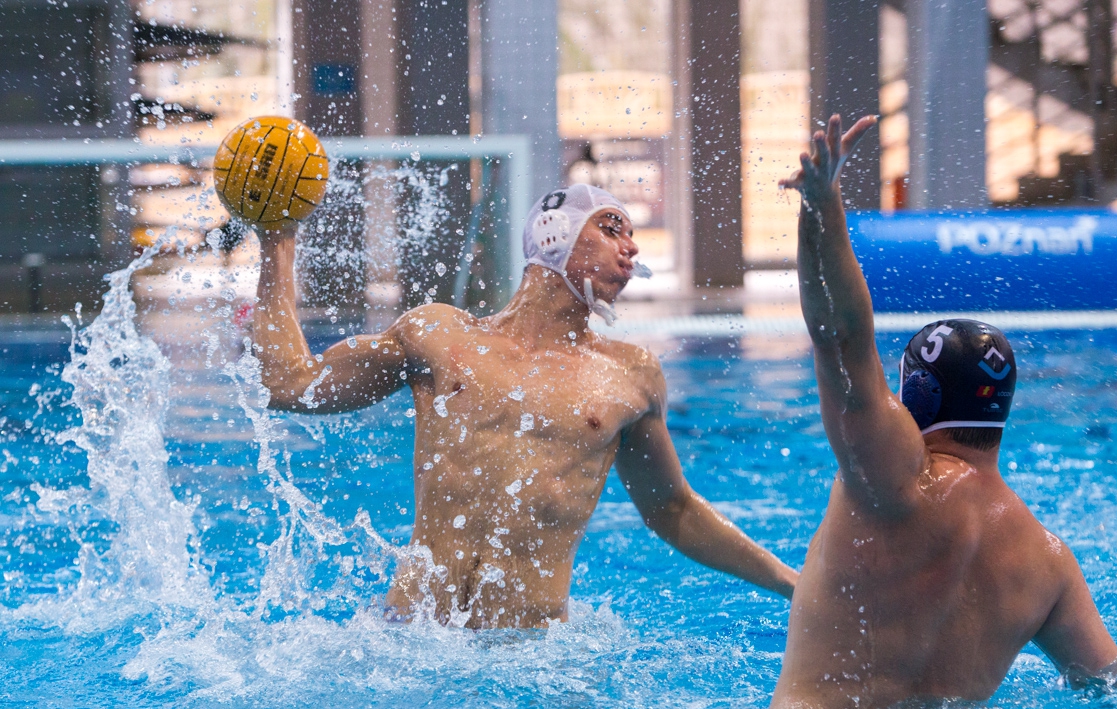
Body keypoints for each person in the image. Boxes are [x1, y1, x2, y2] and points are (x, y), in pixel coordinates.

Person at [251, 184, 798, 628]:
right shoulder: (438, 337)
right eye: (611, 229)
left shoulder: (630, 376)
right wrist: (278, 240)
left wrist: (793, 585)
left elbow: (672, 510)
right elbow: (290, 383)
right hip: (406, 638)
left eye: (632, 236)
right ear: (555, 234)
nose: (631, 247)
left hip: (530, 657)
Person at [770, 114, 1117, 709]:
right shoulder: (1048, 562)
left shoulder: (891, 479)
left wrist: (822, 205)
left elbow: (838, 336)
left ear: (917, 399)